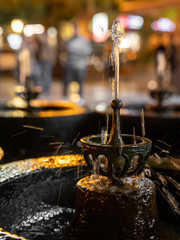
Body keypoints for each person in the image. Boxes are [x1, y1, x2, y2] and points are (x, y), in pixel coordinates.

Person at [62, 23, 93, 104]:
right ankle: (65, 97)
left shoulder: (83, 41)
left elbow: (88, 51)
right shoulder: (69, 40)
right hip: (70, 64)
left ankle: (81, 98)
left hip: (80, 65)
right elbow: (64, 51)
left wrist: (76, 52)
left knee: (80, 82)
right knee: (66, 81)